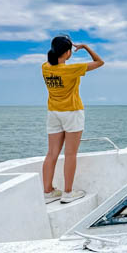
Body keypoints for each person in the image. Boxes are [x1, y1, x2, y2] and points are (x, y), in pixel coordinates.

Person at [41, 36, 104, 204]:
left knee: (51, 153)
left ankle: (47, 192)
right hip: (72, 113)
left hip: (53, 113)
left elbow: (51, 58)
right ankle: (68, 193)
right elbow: (99, 62)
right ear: (68, 52)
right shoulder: (72, 69)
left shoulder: (45, 68)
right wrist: (85, 47)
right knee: (70, 154)